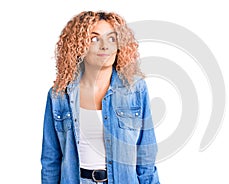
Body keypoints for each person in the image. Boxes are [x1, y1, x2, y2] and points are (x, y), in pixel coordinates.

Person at [41, 11, 160, 184]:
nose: (105, 46)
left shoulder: (135, 89)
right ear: (79, 45)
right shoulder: (59, 95)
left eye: (112, 38)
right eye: (94, 39)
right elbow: (50, 159)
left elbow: (146, 158)